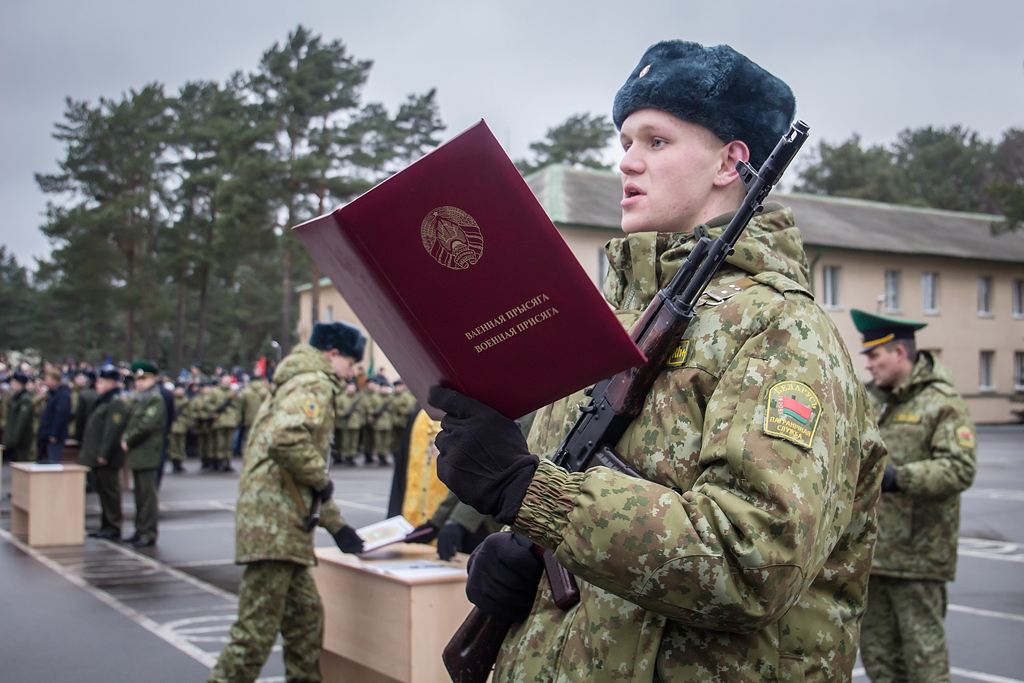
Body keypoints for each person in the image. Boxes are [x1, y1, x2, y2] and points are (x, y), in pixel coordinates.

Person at [428, 40, 887, 682]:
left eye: (656, 141)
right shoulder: (608, 327)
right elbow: (573, 495)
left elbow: (752, 560)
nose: (626, 163)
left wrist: (532, 493)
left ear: (731, 161)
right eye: (624, 142)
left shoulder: (781, 330)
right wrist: (522, 553)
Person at [207, 321, 369, 683]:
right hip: (274, 529)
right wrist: (322, 479)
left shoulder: (295, 381)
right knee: (253, 637)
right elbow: (288, 439)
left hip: (284, 527)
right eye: (350, 364)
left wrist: (337, 524)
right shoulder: (314, 381)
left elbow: (297, 470)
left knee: (305, 626)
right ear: (332, 355)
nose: (351, 374)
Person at [851, 309, 977, 683]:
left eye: (875, 356)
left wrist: (897, 479)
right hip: (872, 556)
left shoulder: (942, 401)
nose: (870, 366)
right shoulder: (871, 400)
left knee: (924, 662)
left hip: (917, 559)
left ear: (899, 353)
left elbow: (959, 468)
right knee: (879, 660)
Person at [120, 361, 168, 548]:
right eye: (137, 380)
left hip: (147, 451)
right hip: (138, 452)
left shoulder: (154, 399)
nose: (139, 383)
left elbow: (146, 426)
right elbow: (130, 421)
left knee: (147, 495)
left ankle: (148, 532)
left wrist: (128, 440)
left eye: (143, 379)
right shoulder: (139, 398)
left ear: (153, 379)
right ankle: (139, 529)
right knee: (139, 495)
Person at [80, 365, 129, 539]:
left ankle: (113, 526)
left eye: (101, 382)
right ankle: (106, 524)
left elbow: (112, 430)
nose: (97, 385)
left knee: (110, 492)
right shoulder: (103, 400)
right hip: (99, 455)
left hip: (108, 456)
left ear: (111, 383)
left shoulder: (115, 401)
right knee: (103, 491)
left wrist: (104, 453)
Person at [37, 369, 72, 463]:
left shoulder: (63, 395)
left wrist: (54, 434)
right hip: (46, 434)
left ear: (55, 380)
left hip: (54, 436)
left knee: (53, 460)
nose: (45, 383)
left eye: (47, 380)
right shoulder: (53, 394)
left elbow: (60, 415)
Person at [211, 372, 241, 472]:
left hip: (231, 420)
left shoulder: (233, 392)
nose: (227, 380)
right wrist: (214, 412)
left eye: (228, 378)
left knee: (229, 443)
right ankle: (220, 462)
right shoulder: (215, 392)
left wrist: (236, 417)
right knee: (220, 443)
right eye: (225, 378)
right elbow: (209, 403)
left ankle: (227, 462)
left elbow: (238, 406)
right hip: (220, 420)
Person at [3, 372, 35, 461]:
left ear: (20, 384)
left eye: (14, 383)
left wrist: (13, 440)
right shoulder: (14, 397)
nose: (11, 385)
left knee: (21, 463)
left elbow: (21, 422)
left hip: (21, 441)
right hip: (12, 439)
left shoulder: (25, 399)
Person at [168, 384, 192, 473]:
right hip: (173, 427)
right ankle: (175, 463)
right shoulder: (171, 400)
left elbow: (190, 414)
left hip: (182, 426)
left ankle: (179, 462)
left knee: (181, 445)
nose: (179, 391)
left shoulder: (186, 401)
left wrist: (188, 424)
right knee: (173, 446)